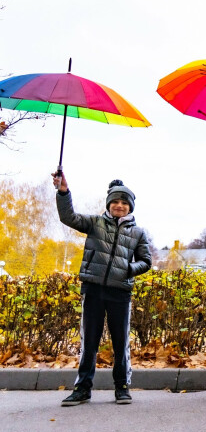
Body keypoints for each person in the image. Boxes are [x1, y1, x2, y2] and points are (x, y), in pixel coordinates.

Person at [54, 173, 151, 406]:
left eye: (124, 203)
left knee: (120, 342)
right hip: (94, 290)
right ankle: (82, 388)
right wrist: (64, 192)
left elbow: (146, 261)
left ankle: (122, 387)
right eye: (116, 202)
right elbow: (68, 216)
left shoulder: (137, 233)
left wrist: (128, 268)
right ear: (109, 204)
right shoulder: (95, 223)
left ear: (130, 207)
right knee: (89, 342)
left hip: (120, 292)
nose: (120, 206)